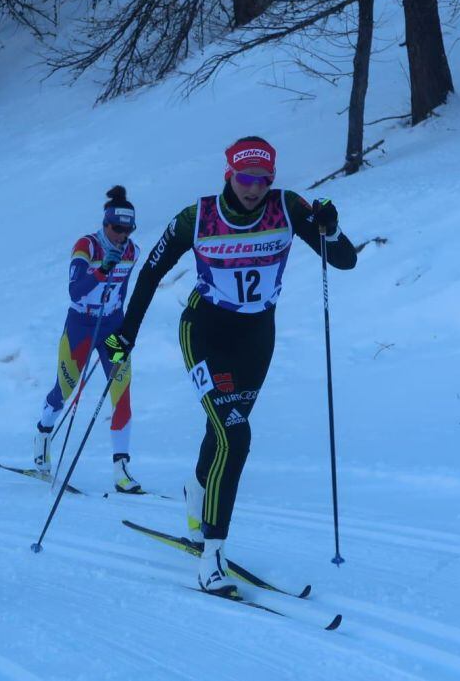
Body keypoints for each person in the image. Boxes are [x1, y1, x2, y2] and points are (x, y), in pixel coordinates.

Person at [103, 136, 358, 594]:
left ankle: (197, 492)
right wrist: (127, 335)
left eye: (262, 179)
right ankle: (212, 558)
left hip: (257, 338)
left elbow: (344, 262)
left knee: (222, 429)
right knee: (236, 434)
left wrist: (330, 228)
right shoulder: (197, 217)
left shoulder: (288, 208)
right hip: (205, 332)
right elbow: (151, 271)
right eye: (245, 178)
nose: (253, 188)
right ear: (229, 174)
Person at [33, 185, 142, 494]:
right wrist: (101, 270)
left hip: (112, 327)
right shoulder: (87, 246)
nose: (122, 235)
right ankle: (43, 432)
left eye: (128, 229)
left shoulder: (132, 250)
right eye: (117, 228)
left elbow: (124, 290)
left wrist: (124, 325)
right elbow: (75, 290)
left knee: (121, 392)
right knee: (65, 388)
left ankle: (122, 469)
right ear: (105, 223)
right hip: (81, 325)